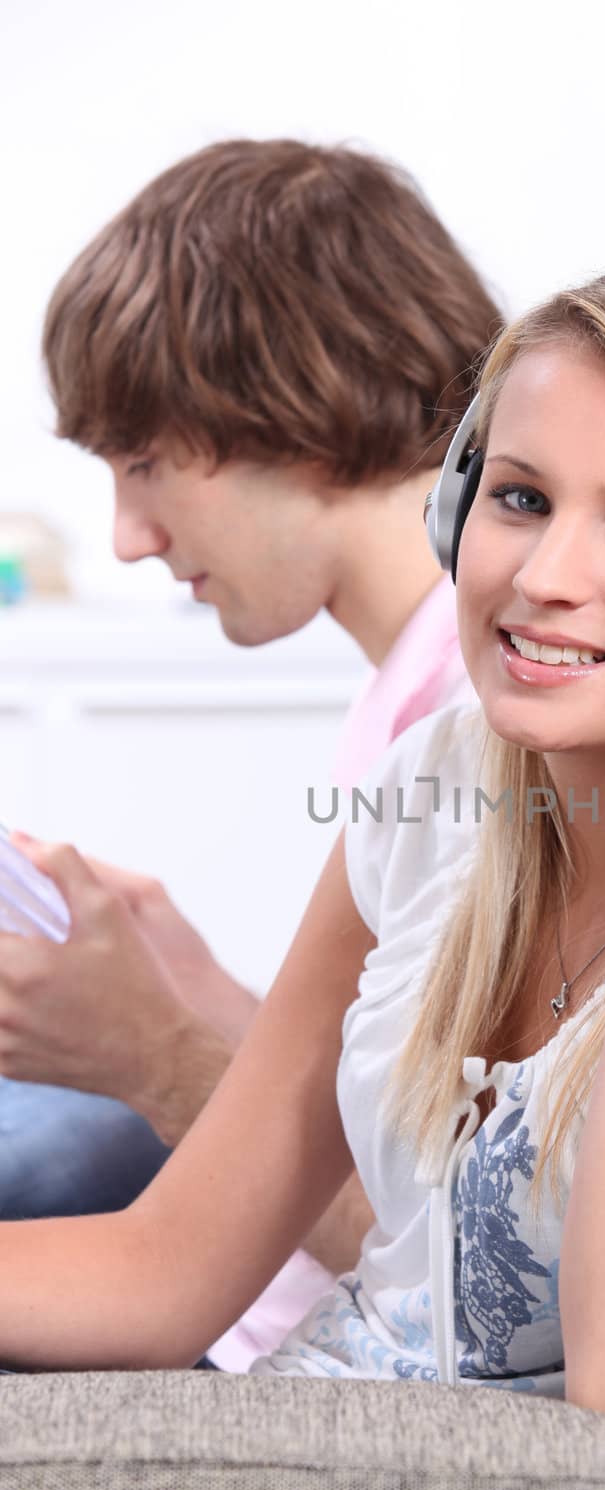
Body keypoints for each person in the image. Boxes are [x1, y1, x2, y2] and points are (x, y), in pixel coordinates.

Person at [0, 253, 605, 1415]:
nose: (544, 575)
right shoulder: (437, 785)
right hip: (283, 1440)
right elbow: (163, 1273)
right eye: (518, 498)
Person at [0, 137, 500, 1368]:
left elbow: (455, 1252)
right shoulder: (408, 695)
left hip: (265, 1331)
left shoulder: (485, 712)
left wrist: (157, 1054)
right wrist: (201, 994)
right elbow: (366, 1096)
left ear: (294, 404)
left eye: (145, 461)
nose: (126, 536)